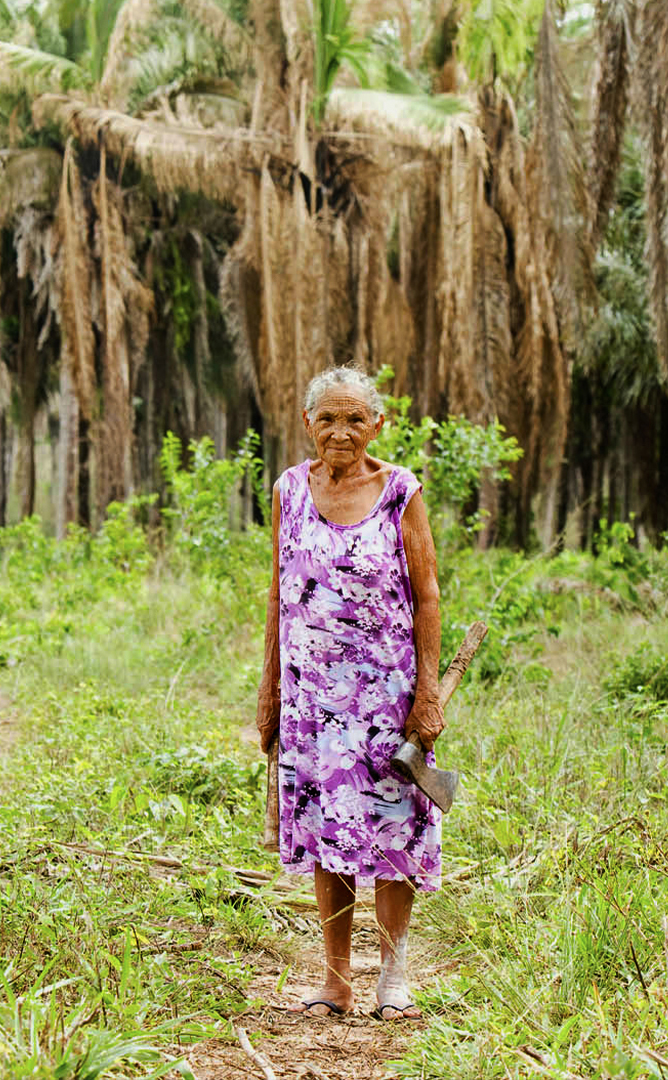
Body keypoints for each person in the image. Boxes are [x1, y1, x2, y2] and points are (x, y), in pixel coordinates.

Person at [255, 366, 445, 1022]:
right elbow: (279, 593)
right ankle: (335, 981)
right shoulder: (288, 490)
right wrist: (269, 693)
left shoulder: (399, 492)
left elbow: (427, 597)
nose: (341, 432)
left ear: (377, 425)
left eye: (354, 418)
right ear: (307, 423)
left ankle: (393, 978)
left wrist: (427, 694)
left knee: (395, 832)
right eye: (327, 419)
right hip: (312, 700)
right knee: (325, 833)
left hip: (387, 696)